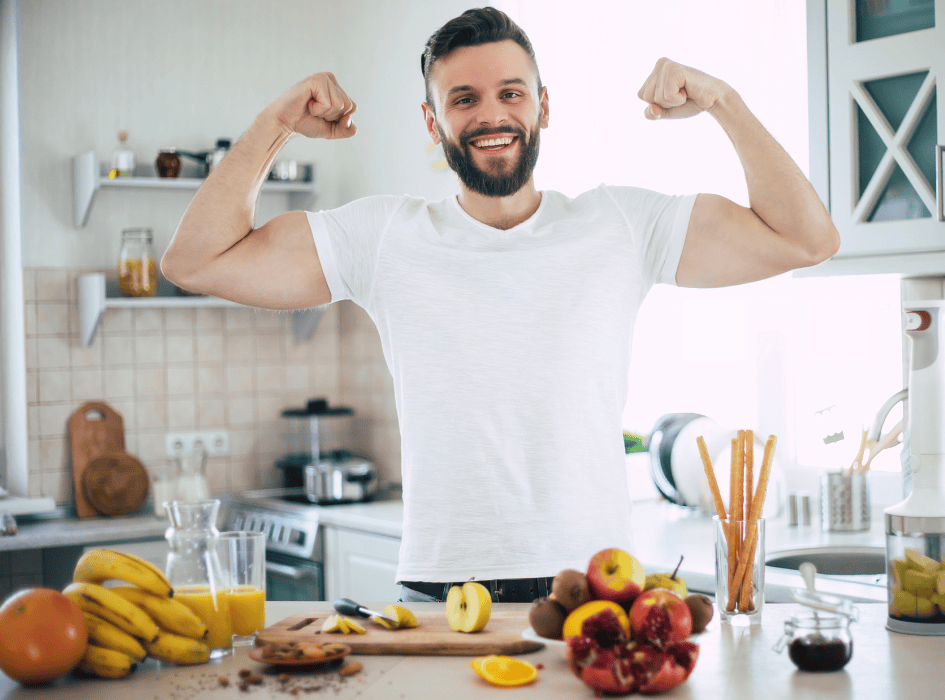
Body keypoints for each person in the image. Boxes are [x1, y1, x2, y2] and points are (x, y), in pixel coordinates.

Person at [162, 7, 839, 604]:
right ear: (432, 123)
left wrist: (723, 100)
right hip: (441, 588)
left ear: (544, 105)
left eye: (510, 93)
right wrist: (275, 124)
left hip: (596, 586)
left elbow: (807, 239)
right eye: (463, 99)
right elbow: (194, 261)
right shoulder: (384, 237)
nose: (490, 115)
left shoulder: (621, 225)